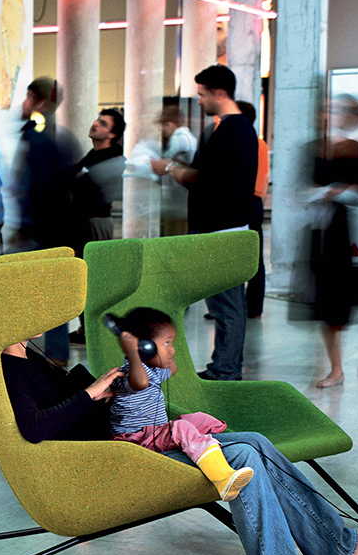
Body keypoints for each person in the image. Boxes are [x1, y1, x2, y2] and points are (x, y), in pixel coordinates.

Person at [0, 336, 358, 555]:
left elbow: (65, 412)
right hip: (114, 465)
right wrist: (90, 393)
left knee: (255, 442)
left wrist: (108, 394)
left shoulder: (31, 356)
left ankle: (339, 550)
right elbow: (34, 428)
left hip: (130, 447)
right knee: (243, 456)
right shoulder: (10, 365)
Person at [151, 65, 259, 381]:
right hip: (222, 226)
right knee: (227, 305)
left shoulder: (233, 130)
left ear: (219, 93)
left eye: (202, 94)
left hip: (220, 230)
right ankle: (226, 367)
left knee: (226, 307)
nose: (199, 101)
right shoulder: (233, 128)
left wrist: (170, 168)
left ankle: (225, 370)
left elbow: (206, 181)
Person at [108, 307, 254, 501]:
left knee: (198, 418)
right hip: (136, 441)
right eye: (166, 343)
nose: (172, 349)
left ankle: (208, 445)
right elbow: (140, 383)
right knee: (182, 427)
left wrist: (164, 352)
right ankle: (222, 477)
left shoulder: (153, 369)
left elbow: (173, 368)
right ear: (145, 347)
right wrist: (134, 352)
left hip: (154, 433)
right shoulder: (128, 373)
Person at [307, 96, 358, 389]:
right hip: (320, 229)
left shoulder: (356, 149)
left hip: (340, 230)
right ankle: (335, 366)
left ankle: (337, 367)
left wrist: (336, 192)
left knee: (335, 301)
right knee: (325, 300)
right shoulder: (317, 148)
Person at [14, 77, 77, 365]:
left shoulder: (38, 138)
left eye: (28, 97)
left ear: (38, 100)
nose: (23, 103)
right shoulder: (61, 138)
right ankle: (55, 351)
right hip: (54, 227)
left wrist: (24, 225)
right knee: (53, 291)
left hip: (42, 228)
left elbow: (34, 188)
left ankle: (37, 352)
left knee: (40, 291)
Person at [67, 109, 126, 345]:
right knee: (83, 277)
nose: (95, 124)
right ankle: (86, 329)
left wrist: (76, 179)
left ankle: (93, 331)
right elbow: (71, 177)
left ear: (112, 134)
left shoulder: (111, 159)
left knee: (92, 279)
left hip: (95, 222)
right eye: (96, 120)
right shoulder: (94, 155)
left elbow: (81, 185)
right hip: (84, 220)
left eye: (102, 123)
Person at [237, 101, 270, 320]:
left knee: (238, 254)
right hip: (256, 200)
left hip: (245, 200)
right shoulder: (260, 143)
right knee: (254, 256)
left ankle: (239, 306)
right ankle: (253, 307)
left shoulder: (246, 142)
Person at [157, 107, 197, 237]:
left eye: (164, 126)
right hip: (183, 197)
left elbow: (165, 163)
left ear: (170, 124)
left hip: (177, 196)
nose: (163, 130)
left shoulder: (178, 138)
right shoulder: (189, 137)